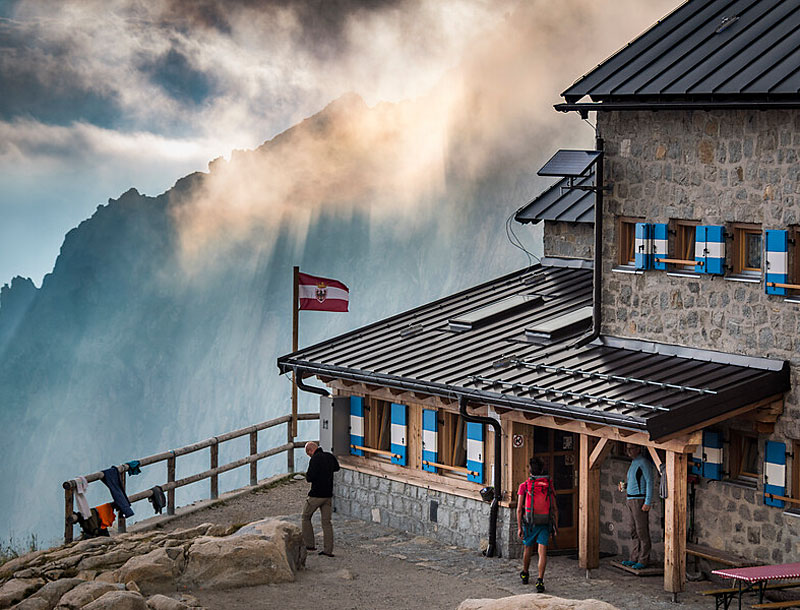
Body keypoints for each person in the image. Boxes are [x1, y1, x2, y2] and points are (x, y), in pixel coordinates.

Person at [517, 456, 558, 593]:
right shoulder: (548, 485)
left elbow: (519, 509)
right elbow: (554, 508)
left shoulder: (525, 485)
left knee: (527, 549)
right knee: (542, 553)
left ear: (530, 470)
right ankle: (540, 580)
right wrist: (555, 526)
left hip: (530, 523)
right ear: (542, 470)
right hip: (545, 522)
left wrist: (519, 527)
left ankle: (525, 573)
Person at [302, 441, 340, 557]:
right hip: (328, 495)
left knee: (306, 517)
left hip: (316, 495)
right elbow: (337, 468)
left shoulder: (314, 459)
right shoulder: (329, 456)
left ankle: (309, 544)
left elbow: (310, 477)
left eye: (308, 454)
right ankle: (328, 550)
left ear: (310, 451)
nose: (309, 456)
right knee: (326, 523)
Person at [621, 444, 654, 569]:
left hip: (639, 499)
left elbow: (649, 481)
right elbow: (634, 481)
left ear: (638, 449)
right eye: (627, 449)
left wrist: (648, 501)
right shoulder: (634, 463)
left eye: (631, 449)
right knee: (633, 530)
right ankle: (634, 557)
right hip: (630, 498)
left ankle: (643, 559)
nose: (628, 452)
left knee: (641, 530)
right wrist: (624, 486)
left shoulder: (643, 463)